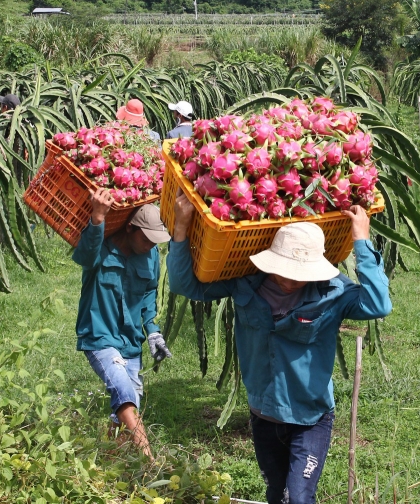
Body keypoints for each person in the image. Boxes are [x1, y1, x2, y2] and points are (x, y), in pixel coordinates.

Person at [167, 192, 391, 504]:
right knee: (276, 494)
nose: (290, 279)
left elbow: (379, 304)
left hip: (311, 419)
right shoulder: (244, 282)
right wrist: (180, 228)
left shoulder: (334, 293)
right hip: (264, 414)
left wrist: (362, 242)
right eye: (284, 269)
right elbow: (185, 285)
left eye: (299, 273)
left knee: (297, 499)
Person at [74, 194, 173, 458]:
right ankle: (151, 462)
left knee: (124, 410)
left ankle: (109, 462)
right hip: (99, 335)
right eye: (146, 238)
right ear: (130, 227)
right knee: (125, 394)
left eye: (155, 240)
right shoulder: (101, 246)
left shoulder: (151, 255)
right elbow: (83, 256)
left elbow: (150, 292)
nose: (150, 244)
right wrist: (97, 218)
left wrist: (152, 329)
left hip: (130, 342)